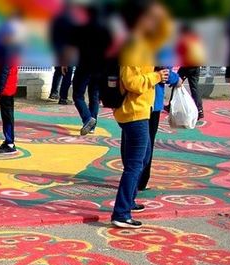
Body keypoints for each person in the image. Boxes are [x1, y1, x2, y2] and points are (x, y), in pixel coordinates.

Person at [110, 0, 172, 229]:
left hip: (139, 110)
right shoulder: (135, 46)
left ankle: (129, 201)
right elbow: (130, 81)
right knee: (135, 163)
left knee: (140, 159)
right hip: (134, 111)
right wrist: (156, 78)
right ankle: (121, 212)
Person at [139, 56, 179, 194]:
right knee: (146, 144)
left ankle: (133, 177)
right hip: (151, 101)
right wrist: (176, 79)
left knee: (131, 141)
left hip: (132, 102)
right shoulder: (160, 47)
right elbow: (165, 74)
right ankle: (140, 180)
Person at [71, 4, 112, 135]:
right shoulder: (105, 28)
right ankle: (92, 125)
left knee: (77, 95)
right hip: (99, 67)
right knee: (94, 96)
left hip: (85, 66)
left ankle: (88, 119)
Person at [0, 20, 23, 154]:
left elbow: (4, 71)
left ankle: (10, 142)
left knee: (7, 116)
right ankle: (9, 140)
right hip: (8, 87)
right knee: (7, 115)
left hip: (6, 89)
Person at [176, 24, 205, 123]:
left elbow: (178, 52)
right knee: (194, 87)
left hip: (187, 66)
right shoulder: (196, 39)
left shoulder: (184, 39)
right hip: (196, 66)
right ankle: (200, 109)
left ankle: (172, 105)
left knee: (176, 82)